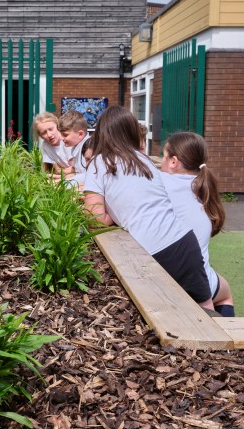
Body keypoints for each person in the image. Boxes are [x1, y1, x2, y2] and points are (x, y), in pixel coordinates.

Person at [83, 107, 216, 313]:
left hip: (151, 250)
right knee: (206, 310)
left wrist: (114, 215)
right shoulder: (144, 160)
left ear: (101, 132)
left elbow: (95, 218)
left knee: (170, 314)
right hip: (184, 241)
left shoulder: (99, 163)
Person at [160, 131, 235, 317]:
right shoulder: (202, 188)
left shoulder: (160, 182)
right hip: (200, 281)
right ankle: (230, 330)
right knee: (225, 293)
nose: (161, 161)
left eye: (163, 156)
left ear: (173, 161)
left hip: (171, 276)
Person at [33, 112, 73, 177]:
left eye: (51, 129)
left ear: (57, 126)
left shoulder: (66, 140)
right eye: (44, 133)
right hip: (67, 175)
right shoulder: (46, 145)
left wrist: (60, 175)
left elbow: (76, 170)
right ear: (40, 136)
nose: (49, 135)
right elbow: (57, 170)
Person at [58, 110, 91, 185]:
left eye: (65, 135)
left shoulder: (88, 149)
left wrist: (62, 184)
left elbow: (87, 176)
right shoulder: (77, 146)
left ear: (80, 134)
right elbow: (77, 173)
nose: (61, 138)